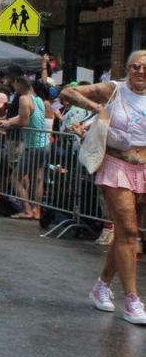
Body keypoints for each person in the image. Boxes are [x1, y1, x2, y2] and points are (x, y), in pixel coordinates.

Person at [61, 51, 146, 324]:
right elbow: (68, 92)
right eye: (136, 66)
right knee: (130, 232)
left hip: (143, 170)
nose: (141, 71)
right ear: (127, 68)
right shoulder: (114, 89)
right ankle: (132, 300)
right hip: (116, 166)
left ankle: (102, 286)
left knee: (125, 234)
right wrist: (96, 108)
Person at [0, 76, 47, 220]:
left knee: (16, 177)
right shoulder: (39, 100)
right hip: (44, 143)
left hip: (34, 145)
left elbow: (23, 121)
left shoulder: (24, 99)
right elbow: (25, 118)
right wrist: (6, 121)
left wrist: (8, 124)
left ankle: (26, 210)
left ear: (18, 87)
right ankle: (36, 210)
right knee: (38, 178)